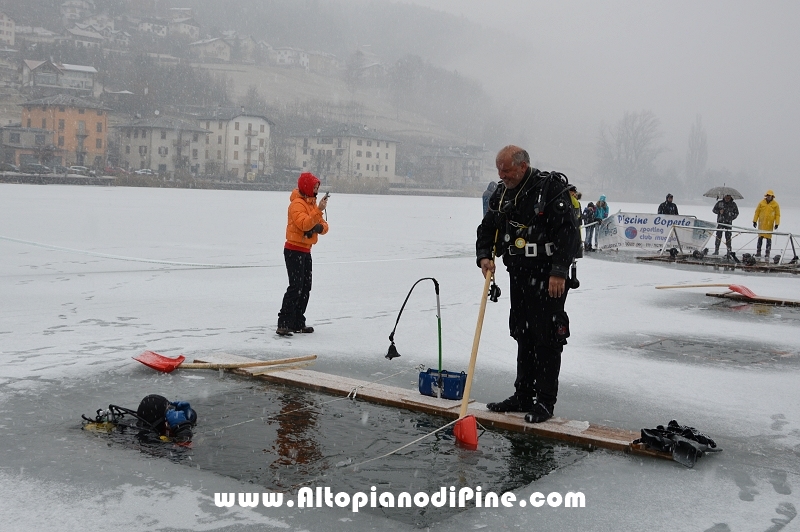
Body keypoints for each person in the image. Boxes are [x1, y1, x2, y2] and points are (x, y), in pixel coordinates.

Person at [476, 145, 578, 424]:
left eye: (506, 170)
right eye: (499, 170)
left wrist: (559, 270)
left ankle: (545, 401)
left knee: (547, 338)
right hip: (519, 275)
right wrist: (484, 255)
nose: (502, 175)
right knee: (523, 334)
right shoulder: (502, 193)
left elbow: (568, 233)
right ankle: (522, 394)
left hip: (548, 278)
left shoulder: (551, 190)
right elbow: (487, 227)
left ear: (522, 166)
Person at [277, 172, 329, 337]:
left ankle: (298, 322)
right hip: (293, 250)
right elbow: (304, 224)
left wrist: (319, 226)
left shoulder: (312, 204)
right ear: (306, 186)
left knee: (305, 287)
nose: (316, 190)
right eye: (314, 187)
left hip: (306, 251)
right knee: (295, 287)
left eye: (317, 187)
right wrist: (318, 213)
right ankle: (284, 323)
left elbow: (324, 226)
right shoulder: (297, 204)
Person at [753, 190, 781, 259]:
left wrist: (777, 223)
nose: (768, 197)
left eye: (769, 195)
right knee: (760, 238)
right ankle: (758, 252)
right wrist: (754, 221)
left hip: (769, 224)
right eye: (767, 195)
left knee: (768, 239)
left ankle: (767, 253)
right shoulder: (761, 203)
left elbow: (777, 215)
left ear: (772, 196)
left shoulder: (775, 204)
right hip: (761, 223)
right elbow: (757, 212)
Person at [568, 184, 583, 259]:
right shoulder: (571, 200)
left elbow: (578, 213)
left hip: (574, 225)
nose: (573, 194)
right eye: (572, 192)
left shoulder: (575, 201)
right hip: (573, 225)